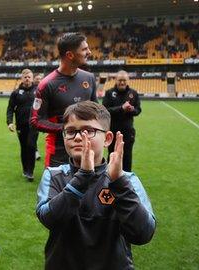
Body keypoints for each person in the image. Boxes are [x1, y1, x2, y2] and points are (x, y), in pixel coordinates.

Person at [35, 101, 155, 269]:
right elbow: (48, 219)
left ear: (107, 139)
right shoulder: (54, 175)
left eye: (88, 131)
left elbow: (143, 233)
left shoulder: (127, 179)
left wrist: (119, 183)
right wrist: (83, 177)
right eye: (70, 131)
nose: (78, 137)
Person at [30, 32, 98, 168]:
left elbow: (96, 112)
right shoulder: (47, 84)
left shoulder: (89, 78)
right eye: (84, 49)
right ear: (70, 55)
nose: (89, 52)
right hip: (58, 154)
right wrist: (66, 128)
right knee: (58, 190)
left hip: (87, 151)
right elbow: (35, 121)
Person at [102, 70, 141, 171]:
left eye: (124, 80)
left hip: (128, 132)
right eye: (120, 80)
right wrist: (121, 108)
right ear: (116, 80)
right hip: (112, 132)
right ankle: (110, 179)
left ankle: (126, 182)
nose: (122, 82)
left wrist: (132, 109)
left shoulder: (133, 93)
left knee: (127, 157)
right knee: (112, 156)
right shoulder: (109, 93)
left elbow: (138, 110)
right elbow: (104, 111)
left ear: (128, 80)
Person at [7, 69, 39, 181]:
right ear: (22, 78)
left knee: (31, 145)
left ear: (32, 77)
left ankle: (30, 171)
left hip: (34, 125)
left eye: (29, 77)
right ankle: (25, 169)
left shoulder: (38, 91)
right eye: (25, 77)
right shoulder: (16, 93)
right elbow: (10, 108)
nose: (27, 79)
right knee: (24, 148)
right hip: (21, 125)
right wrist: (10, 122)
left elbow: (43, 106)